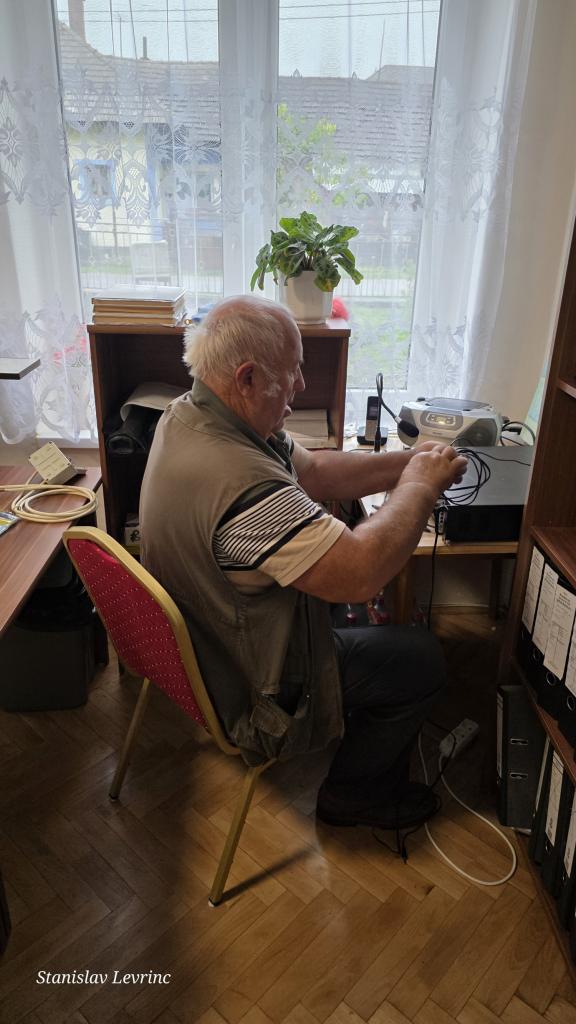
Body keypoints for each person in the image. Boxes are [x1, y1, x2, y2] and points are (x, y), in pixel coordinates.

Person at [139, 295, 467, 831]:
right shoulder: (242, 483)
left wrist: (412, 462)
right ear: (247, 378)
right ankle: (353, 795)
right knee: (420, 658)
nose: (301, 384)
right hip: (252, 687)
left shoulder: (195, 415)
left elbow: (316, 474)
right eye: (291, 371)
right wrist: (419, 488)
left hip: (214, 643)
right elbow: (361, 573)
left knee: (362, 617)